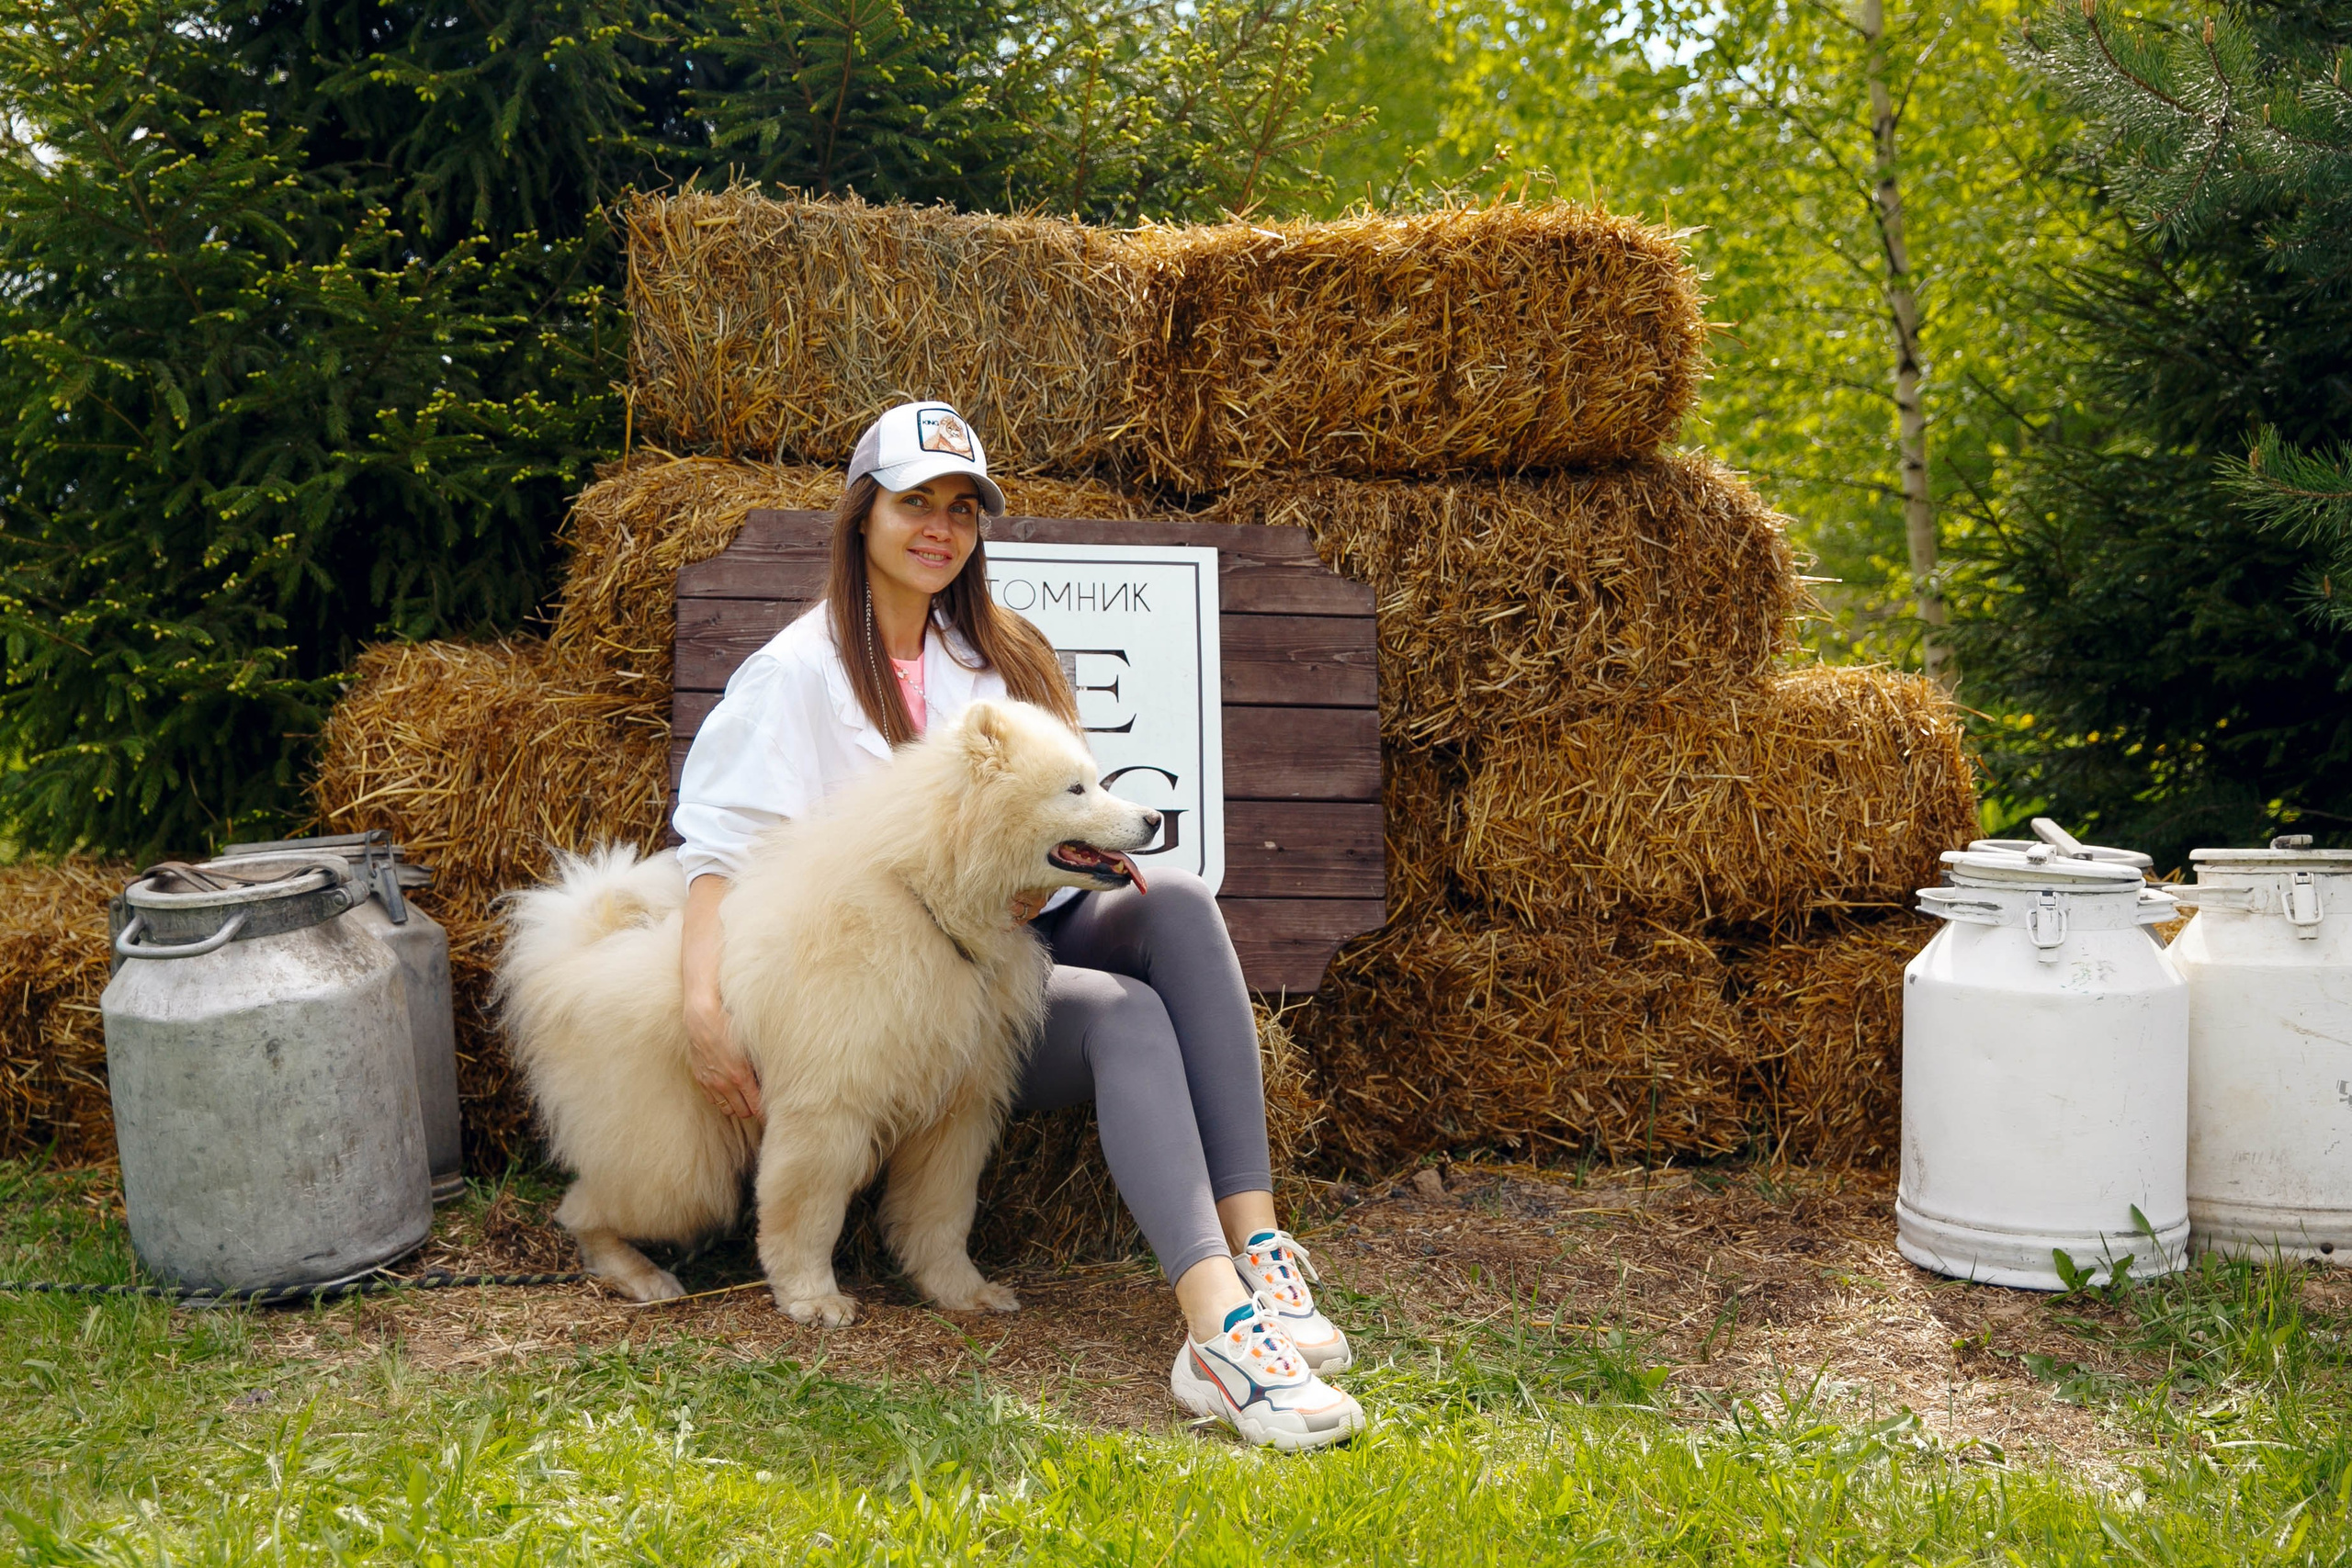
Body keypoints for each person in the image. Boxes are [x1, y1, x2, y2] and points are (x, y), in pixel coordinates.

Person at [672, 400, 1366, 1450]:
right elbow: (719, 857)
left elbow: (1063, 827)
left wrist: (1041, 883)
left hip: (1013, 945)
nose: (939, 527)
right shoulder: (796, 675)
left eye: (961, 507)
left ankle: (1260, 1249)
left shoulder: (1002, 657)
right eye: (914, 502)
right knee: (1124, 1015)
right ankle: (1217, 1326)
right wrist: (700, 1003)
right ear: (863, 514)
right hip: (897, 996)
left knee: (1171, 897)